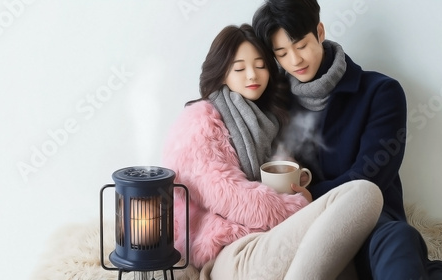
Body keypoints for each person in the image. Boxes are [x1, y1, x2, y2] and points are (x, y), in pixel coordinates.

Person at [252, 1, 442, 279]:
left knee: (398, 239)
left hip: (373, 221)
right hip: (302, 226)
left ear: (320, 32)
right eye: (281, 53)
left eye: (301, 45)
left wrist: (312, 195)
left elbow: (369, 177)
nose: (295, 61)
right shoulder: (275, 101)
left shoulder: (381, 92)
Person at [162, 23, 383, 279]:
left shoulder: (269, 121)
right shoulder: (199, 121)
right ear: (222, 73)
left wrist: (295, 182)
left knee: (351, 243)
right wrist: (299, 207)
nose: (252, 76)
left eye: (260, 65)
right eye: (240, 68)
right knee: (364, 193)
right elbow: (229, 196)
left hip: (271, 239)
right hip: (231, 250)